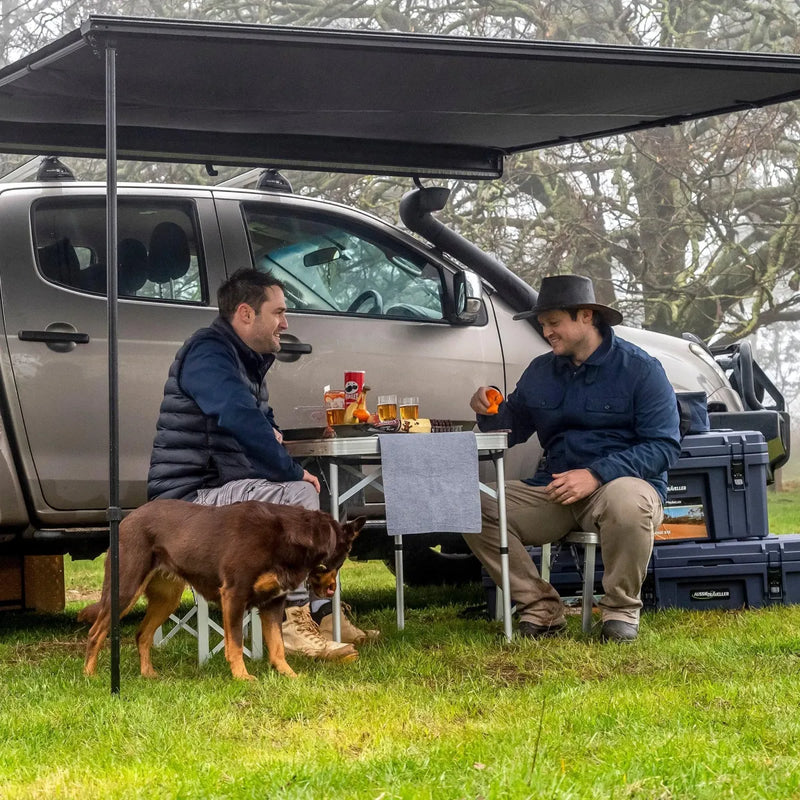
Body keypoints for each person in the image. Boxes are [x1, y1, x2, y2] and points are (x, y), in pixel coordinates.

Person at [148, 268, 378, 661]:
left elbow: (260, 425)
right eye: (279, 312)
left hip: (223, 485)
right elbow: (238, 415)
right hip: (190, 500)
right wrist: (289, 469)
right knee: (299, 493)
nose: (286, 323)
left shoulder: (247, 360)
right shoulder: (208, 353)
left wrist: (285, 445)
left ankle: (323, 612)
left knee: (320, 484)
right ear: (245, 314)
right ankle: (291, 622)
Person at [464, 275, 681, 642]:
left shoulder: (641, 370)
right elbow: (509, 428)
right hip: (555, 488)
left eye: (553, 322)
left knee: (628, 502)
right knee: (468, 504)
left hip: (619, 489)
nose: (546, 332)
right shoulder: (540, 371)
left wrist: (596, 474)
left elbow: (663, 446)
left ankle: (619, 613)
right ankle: (541, 609)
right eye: (543, 324)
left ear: (585, 316)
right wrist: (486, 405)